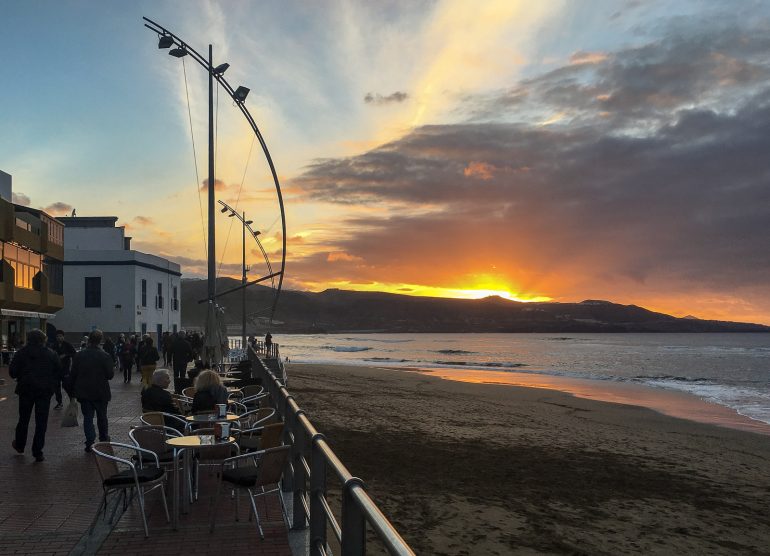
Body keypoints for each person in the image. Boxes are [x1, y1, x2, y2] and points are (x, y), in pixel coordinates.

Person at [9, 329, 62, 462]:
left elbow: (13, 372)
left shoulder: (21, 353)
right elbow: (58, 371)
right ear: (43, 340)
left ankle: (20, 444)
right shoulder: (51, 354)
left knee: (23, 419)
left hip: (26, 389)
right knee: (41, 422)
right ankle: (37, 451)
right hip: (44, 391)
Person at [71, 329, 114, 452]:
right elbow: (110, 375)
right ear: (100, 340)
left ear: (89, 339)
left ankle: (90, 441)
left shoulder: (79, 355)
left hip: (84, 391)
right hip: (101, 391)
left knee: (88, 417)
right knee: (102, 416)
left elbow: (73, 373)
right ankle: (103, 439)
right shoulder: (105, 356)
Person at [51, 330, 76, 410]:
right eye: (57, 336)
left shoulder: (68, 345)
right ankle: (59, 402)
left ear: (63, 336)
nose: (59, 338)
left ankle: (72, 400)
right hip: (56, 370)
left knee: (67, 385)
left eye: (60, 336)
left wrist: (66, 355)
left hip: (65, 369)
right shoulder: (53, 345)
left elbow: (74, 353)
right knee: (56, 387)